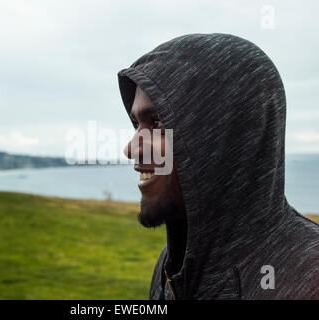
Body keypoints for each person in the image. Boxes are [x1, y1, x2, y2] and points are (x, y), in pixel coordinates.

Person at [117, 33, 319, 300]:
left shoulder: (309, 277)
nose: (131, 148)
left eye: (157, 123)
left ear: (226, 135)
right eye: (137, 124)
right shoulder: (172, 265)